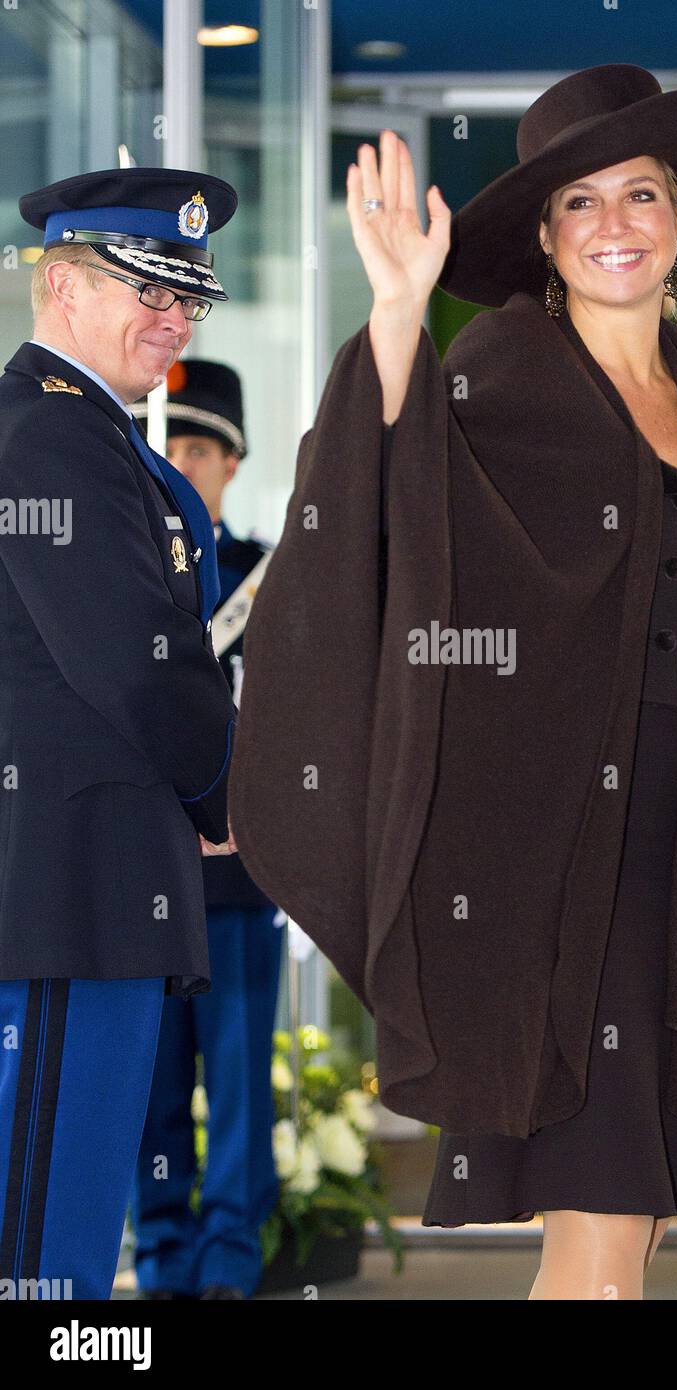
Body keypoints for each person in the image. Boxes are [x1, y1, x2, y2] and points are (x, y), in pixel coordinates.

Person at [229, 65, 677, 1302]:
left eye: (639, 195)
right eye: (579, 203)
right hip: (549, 844)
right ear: (546, 239)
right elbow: (386, 499)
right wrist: (397, 312)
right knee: (597, 1214)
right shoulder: (502, 365)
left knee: (638, 1209)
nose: (613, 225)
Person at [0, 168, 240, 1300]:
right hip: (65, 894)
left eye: (189, 296)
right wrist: (227, 797)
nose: (174, 317)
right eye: (145, 288)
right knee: (45, 1231)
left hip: (83, 889)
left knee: (65, 1215)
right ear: (58, 284)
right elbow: (138, 660)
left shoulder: (81, 432)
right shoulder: (55, 437)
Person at [129, 361, 283, 1301]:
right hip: (138, 876)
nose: (180, 463)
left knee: (236, 1084)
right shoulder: (114, 576)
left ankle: (228, 1267)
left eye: (198, 447)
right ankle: (159, 1263)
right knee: (145, 1087)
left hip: (236, 879)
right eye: (165, 446)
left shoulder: (272, 581)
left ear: (232, 463)